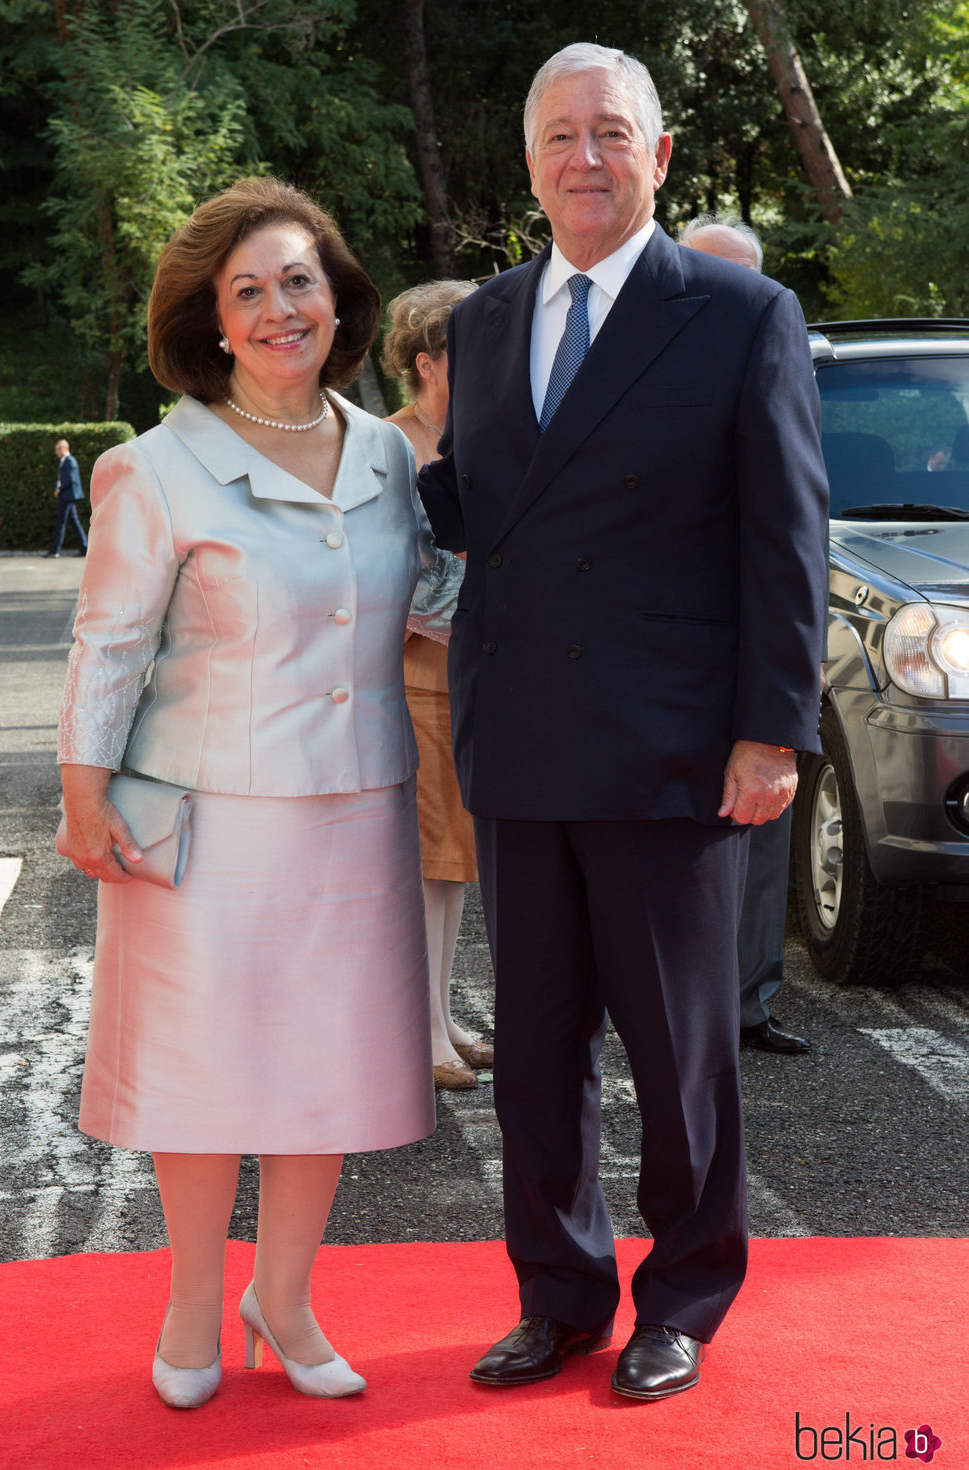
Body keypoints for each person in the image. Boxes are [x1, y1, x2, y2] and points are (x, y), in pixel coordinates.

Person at [418, 43, 828, 1402]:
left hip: (672, 750)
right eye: (557, 135)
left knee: (679, 1050)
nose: (582, 157)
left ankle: (687, 1294)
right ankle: (559, 1294)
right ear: (527, 163)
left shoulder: (738, 310)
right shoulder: (479, 324)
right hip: (525, 742)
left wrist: (772, 729)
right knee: (535, 1053)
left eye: (611, 133)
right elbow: (494, 516)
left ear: (658, 157)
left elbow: (786, 534)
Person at [55, 176, 462, 1410]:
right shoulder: (155, 466)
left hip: (354, 812)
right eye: (250, 292)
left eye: (299, 281)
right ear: (214, 324)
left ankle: (280, 1301)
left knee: (321, 1077)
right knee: (204, 1080)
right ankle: (191, 1299)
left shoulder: (389, 451)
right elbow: (108, 645)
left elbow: (430, 600)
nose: (281, 307)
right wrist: (84, 798)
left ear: (338, 300)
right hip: (204, 822)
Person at [679, 215, 810, 1056]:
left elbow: (799, 526)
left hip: (757, 650)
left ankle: (748, 1004)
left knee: (762, 842)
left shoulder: (773, 354)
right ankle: (677, 1006)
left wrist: (799, 671)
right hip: (667, 661)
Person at [382, 280, 494, 1091]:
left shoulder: (479, 439)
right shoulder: (390, 448)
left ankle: (439, 1017)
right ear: (427, 363)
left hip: (473, 676)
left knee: (453, 862)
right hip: (413, 674)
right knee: (425, 863)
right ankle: (415, 1032)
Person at [43, 438, 88, 557]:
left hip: (67, 496)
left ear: (66, 448)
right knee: (74, 522)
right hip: (66, 496)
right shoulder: (64, 461)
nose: (57, 451)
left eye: (59, 448)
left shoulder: (69, 461)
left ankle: (55, 550)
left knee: (61, 523)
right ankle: (85, 547)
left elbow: (71, 480)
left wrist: (59, 490)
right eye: (56, 449)